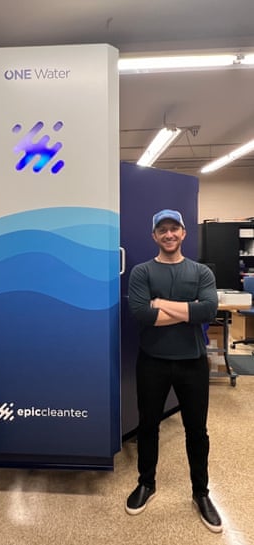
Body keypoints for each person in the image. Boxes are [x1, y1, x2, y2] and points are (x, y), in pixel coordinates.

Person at [125, 209, 222, 533]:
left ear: (183, 233)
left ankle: (201, 493)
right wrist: (187, 310)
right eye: (162, 230)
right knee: (147, 426)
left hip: (192, 362)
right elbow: (141, 315)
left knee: (197, 431)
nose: (169, 234)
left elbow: (208, 310)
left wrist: (161, 303)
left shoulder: (201, 272)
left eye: (174, 229)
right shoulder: (141, 271)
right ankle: (146, 483)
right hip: (152, 361)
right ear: (154, 236)